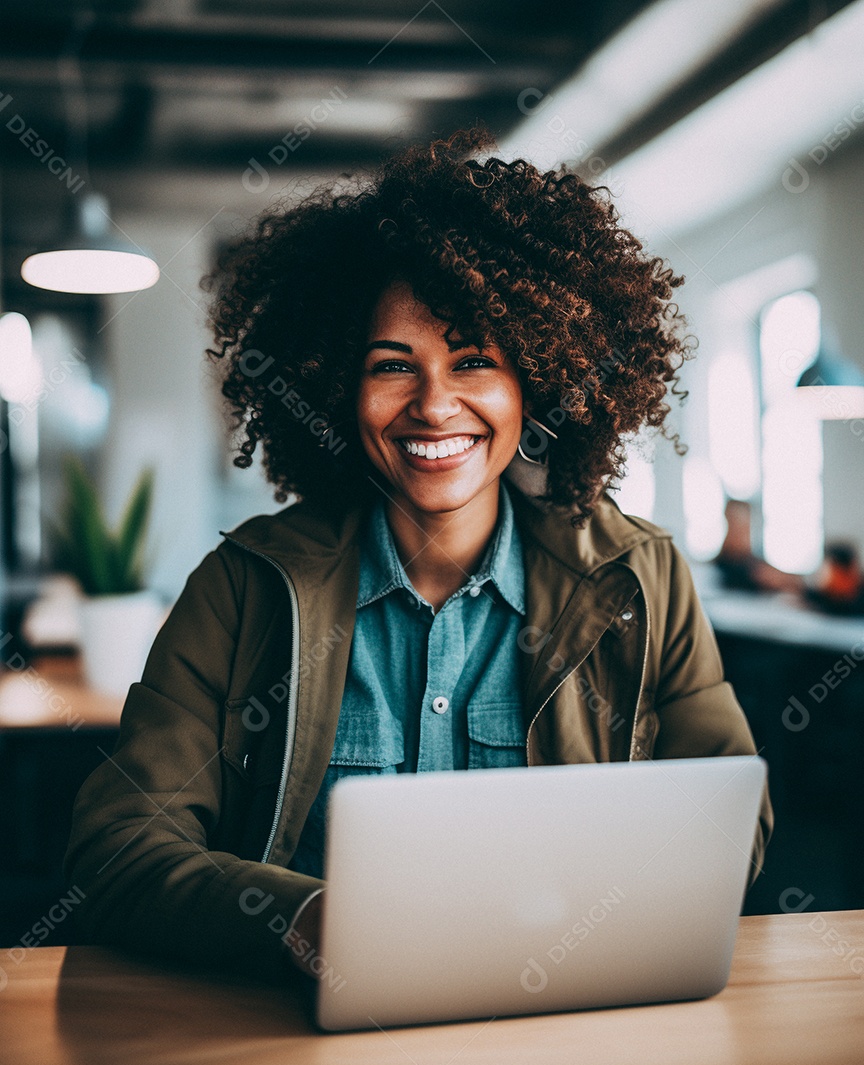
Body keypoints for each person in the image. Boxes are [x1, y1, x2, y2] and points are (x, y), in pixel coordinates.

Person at [65, 130, 772, 983]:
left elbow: (733, 826)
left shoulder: (640, 576)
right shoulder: (247, 586)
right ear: (338, 387)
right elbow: (117, 851)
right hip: (300, 1035)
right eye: (392, 366)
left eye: (475, 362)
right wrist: (309, 921)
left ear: (533, 385)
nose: (436, 406)